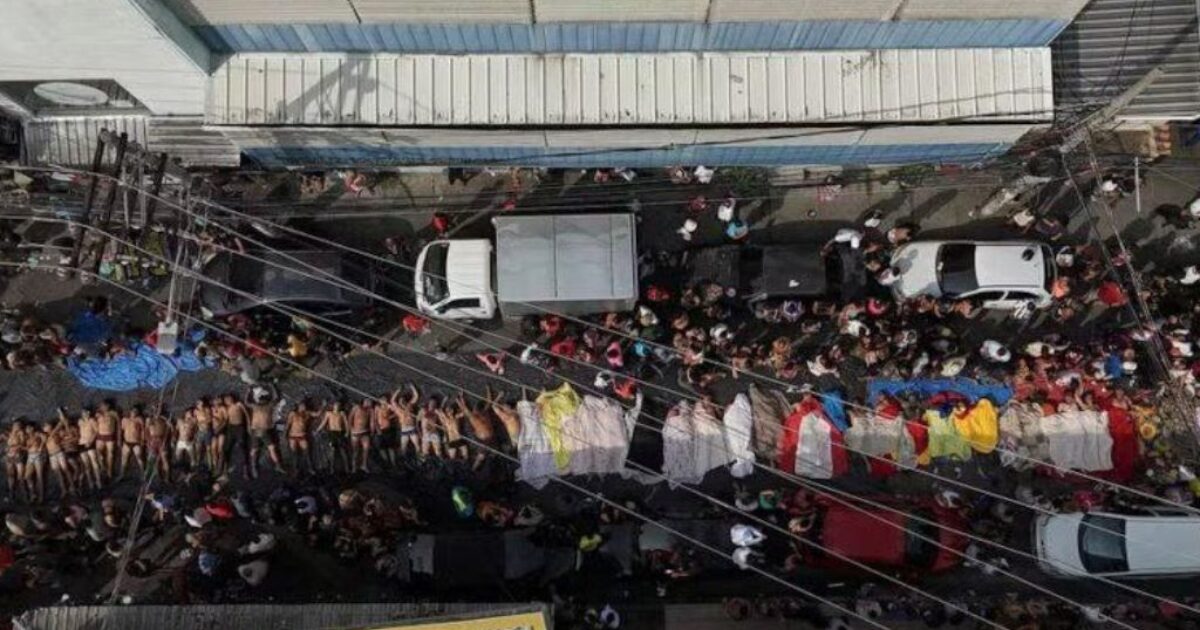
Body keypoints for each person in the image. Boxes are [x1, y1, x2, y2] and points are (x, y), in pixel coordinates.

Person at [247, 395, 284, 478]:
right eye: (260, 400)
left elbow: (276, 399)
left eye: (263, 400)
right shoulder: (255, 406)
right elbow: (247, 402)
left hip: (265, 431)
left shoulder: (269, 406)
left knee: (272, 448)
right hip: (256, 430)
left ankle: (278, 465)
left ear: (266, 401)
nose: (261, 402)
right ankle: (254, 468)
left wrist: (273, 386)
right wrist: (249, 391)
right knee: (254, 450)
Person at [458, 394, 495, 470]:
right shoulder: (474, 416)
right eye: (474, 409)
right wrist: (461, 398)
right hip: (482, 437)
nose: (474, 410)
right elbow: (465, 409)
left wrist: (488, 389)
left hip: (485, 437)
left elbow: (489, 402)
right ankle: (473, 469)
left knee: (482, 454)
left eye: (475, 409)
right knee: (481, 455)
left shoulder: (483, 412)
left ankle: (473, 468)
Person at [316, 400, 350, 473]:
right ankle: (332, 469)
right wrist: (317, 430)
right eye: (336, 405)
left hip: (340, 433)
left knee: (343, 450)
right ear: (333, 406)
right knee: (332, 451)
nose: (337, 406)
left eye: (338, 405)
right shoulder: (329, 413)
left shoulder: (342, 413)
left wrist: (347, 432)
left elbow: (346, 423)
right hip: (332, 433)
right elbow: (323, 423)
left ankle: (347, 468)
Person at [389, 385, 421, 458]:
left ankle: (419, 458)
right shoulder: (398, 409)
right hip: (404, 428)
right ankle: (403, 459)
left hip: (411, 427)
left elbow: (416, 396)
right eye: (400, 401)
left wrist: (412, 387)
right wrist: (398, 391)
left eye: (403, 400)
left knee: (417, 444)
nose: (402, 402)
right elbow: (392, 400)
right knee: (403, 446)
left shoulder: (409, 405)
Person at [286, 401, 315, 475]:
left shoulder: (307, 413)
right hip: (292, 435)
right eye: (303, 406)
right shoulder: (293, 413)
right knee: (294, 453)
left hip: (302, 435)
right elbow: (288, 424)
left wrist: (323, 406)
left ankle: (310, 468)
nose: (304, 407)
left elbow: (317, 414)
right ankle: (296, 469)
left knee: (307, 452)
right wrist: (285, 433)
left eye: (305, 406)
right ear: (299, 406)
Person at [224, 394, 249, 477]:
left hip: (239, 427)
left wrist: (248, 426)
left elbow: (246, 415)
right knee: (227, 448)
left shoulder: (239, 404)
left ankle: (245, 470)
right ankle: (225, 469)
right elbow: (225, 419)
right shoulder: (227, 408)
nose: (229, 400)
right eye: (227, 400)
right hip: (231, 428)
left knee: (242, 447)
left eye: (230, 398)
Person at [119, 407, 146, 479]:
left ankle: (143, 474)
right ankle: (122, 475)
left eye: (136, 411)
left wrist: (143, 440)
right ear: (130, 411)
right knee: (124, 459)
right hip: (127, 442)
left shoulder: (139, 419)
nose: (134, 412)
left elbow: (143, 430)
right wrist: (120, 440)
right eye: (133, 411)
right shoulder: (124, 420)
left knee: (139, 458)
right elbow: (122, 430)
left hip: (136, 442)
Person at [373, 396, 399, 469]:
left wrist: (390, 416)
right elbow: (375, 419)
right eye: (383, 400)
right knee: (382, 447)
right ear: (380, 401)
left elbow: (396, 412)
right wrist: (378, 429)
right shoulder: (377, 408)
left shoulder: (388, 407)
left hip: (388, 429)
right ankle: (386, 462)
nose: (385, 401)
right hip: (381, 429)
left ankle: (393, 463)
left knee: (390, 447)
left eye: (386, 400)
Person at [145, 413, 172, 482]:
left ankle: (167, 477)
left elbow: (171, 429)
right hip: (153, 442)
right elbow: (146, 431)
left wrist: (169, 441)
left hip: (162, 441)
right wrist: (148, 442)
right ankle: (159, 476)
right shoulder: (150, 420)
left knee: (164, 459)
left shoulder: (164, 420)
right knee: (154, 460)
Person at [95, 401, 118, 481]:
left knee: (110, 454)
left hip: (110, 435)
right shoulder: (98, 414)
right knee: (99, 453)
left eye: (106, 405)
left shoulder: (113, 413)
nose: (105, 407)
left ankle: (109, 471)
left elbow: (118, 425)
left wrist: (119, 438)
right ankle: (102, 467)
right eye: (103, 406)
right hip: (100, 435)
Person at [349, 399, 373, 473]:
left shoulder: (370, 410)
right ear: (364, 402)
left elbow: (372, 421)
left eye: (370, 402)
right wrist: (350, 428)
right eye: (368, 401)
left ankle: (364, 465)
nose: (370, 403)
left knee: (366, 450)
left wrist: (372, 431)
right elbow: (350, 417)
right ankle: (354, 467)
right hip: (355, 432)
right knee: (355, 451)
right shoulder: (356, 407)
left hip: (365, 432)